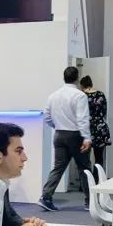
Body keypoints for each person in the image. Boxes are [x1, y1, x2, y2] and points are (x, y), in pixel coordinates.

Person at [39, 66, 93, 211]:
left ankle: (46, 197)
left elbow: (47, 116)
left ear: (64, 77)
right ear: (77, 78)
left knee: (58, 168)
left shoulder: (53, 96)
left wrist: (57, 125)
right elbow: (82, 118)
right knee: (84, 168)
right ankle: (90, 201)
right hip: (76, 135)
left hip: (59, 134)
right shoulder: (80, 96)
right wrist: (86, 137)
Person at [80, 76, 111, 170]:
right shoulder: (101, 94)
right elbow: (104, 111)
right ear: (91, 84)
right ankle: (98, 177)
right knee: (99, 158)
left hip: (87, 128)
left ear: (82, 85)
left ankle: (87, 178)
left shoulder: (82, 96)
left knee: (85, 158)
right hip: (100, 128)